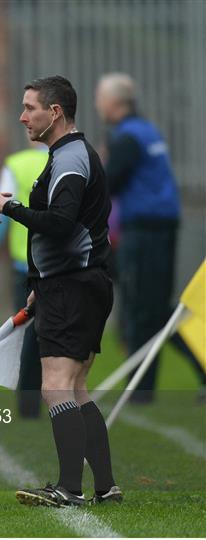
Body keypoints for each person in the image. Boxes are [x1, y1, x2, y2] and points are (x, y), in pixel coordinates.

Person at [0, 76, 122, 507]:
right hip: (76, 284)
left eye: (30, 108)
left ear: (54, 112)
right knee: (75, 388)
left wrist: (9, 207)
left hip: (72, 287)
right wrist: (41, 284)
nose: (22, 116)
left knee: (55, 386)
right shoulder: (68, 154)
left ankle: (69, 489)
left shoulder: (71, 159)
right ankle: (105, 485)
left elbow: (59, 223)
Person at [95, 73, 182, 403]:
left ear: (113, 103)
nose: (97, 105)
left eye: (100, 99)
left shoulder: (127, 137)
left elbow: (108, 184)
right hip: (162, 228)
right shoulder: (147, 130)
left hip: (144, 232)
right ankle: (147, 386)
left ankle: (141, 391)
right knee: (156, 309)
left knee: (143, 310)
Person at [0, 142, 47, 417]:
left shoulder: (17, 164)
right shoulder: (73, 159)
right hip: (65, 264)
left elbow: (0, 212)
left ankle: (28, 406)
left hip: (26, 263)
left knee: (28, 335)